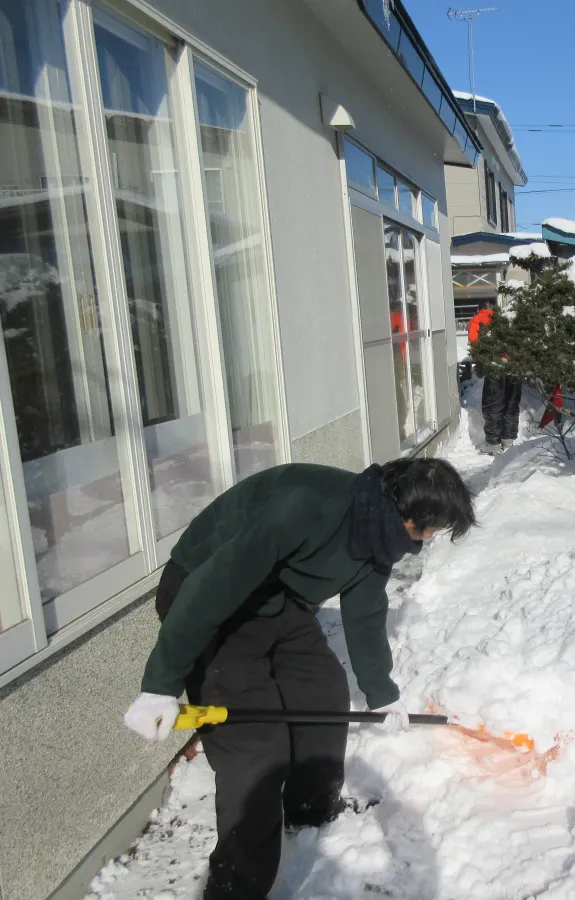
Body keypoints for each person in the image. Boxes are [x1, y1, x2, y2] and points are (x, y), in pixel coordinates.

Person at [122, 458, 475, 900]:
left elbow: (365, 611)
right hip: (204, 589)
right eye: (433, 528)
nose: (431, 538)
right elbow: (213, 587)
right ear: (408, 516)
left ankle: (310, 812)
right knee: (256, 749)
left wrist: (382, 693)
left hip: (272, 595)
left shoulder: (379, 532)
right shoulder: (308, 507)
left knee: (324, 691)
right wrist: (160, 683)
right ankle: (235, 889)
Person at [468, 303, 521, 453]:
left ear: (479, 309)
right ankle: (508, 441)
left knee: (493, 404)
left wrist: (479, 361)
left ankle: (493, 444)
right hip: (515, 365)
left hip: (494, 364)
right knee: (512, 403)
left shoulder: (477, 320)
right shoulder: (505, 317)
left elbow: (474, 343)